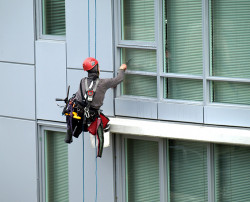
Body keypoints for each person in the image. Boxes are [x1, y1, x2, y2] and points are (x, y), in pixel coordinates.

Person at [65, 57, 127, 157]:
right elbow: (119, 79)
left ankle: (70, 136)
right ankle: (101, 145)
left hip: (80, 114)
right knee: (105, 124)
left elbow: (81, 96)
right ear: (96, 68)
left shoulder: (82, 81)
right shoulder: (103, 83)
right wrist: (122, 69)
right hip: (92, 116)